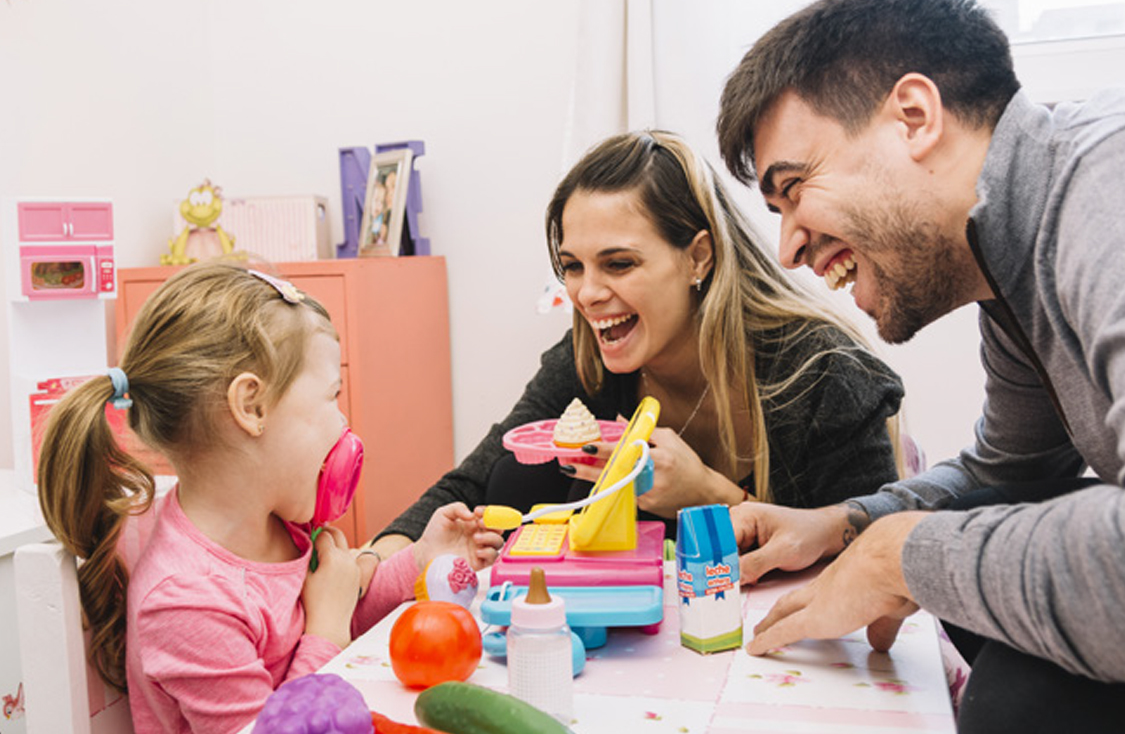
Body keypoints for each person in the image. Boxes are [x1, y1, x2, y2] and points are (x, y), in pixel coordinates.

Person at [716, 0, 1125, 732]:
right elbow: (1008, 474)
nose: (788, 248)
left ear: (914, 116)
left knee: (1018, 695)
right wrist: (848, 524)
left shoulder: (1120, 184)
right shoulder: (1004, 261)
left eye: (796, 185)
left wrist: (903, 553)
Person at [371, 129, 904, 560]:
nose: (587, 293)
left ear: (699, 257)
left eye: (619, 263)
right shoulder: (587, 365)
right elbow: (471, 485)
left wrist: (712, 499)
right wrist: (378, 561)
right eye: (572, 266)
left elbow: (876, 563)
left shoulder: (825, 374)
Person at [36, 262, 500, 733]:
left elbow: (343, 601)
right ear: (252, 407)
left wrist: (423, 556)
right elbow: (276, 721)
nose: (343, 423)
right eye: (331, 397)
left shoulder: (278, 524)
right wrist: (326, 631)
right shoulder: (186, 600)